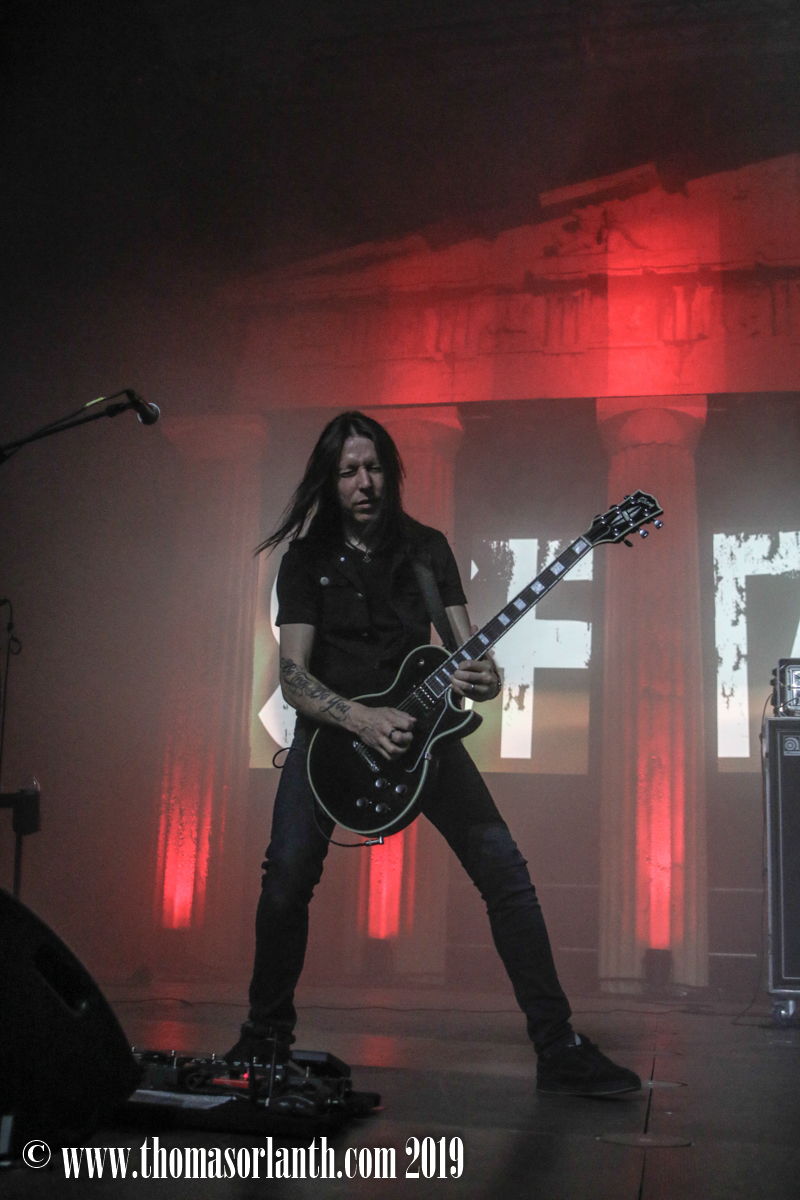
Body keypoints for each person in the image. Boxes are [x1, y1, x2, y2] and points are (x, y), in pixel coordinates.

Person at [227, 410, 640, 1096]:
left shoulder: (426, 550)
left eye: (374, 468)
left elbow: (465, 649)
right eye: (349, 472)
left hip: (424, 737)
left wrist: (485, 678)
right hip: (332, 741)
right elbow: (294, 678)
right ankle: (264, 1038)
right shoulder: (305, 559)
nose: (365, 483)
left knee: (505, 873)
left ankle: (558, 1046)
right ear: (329, 482)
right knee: (286, 877)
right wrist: (361, 719)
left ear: (391, 472)